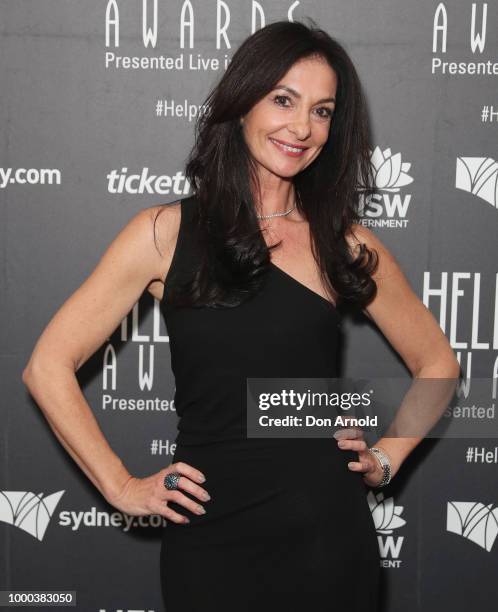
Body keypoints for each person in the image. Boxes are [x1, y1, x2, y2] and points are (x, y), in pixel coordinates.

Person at [22, 20, 460, 612]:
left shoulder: (343, 242)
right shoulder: (163, 233)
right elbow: (47, 366)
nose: (302, 127)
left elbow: (436, 361)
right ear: (243, 101)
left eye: (323, 111)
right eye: (284, 99)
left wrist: (386, 457)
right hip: (211, 539)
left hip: (326, 539)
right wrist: (122, 486)